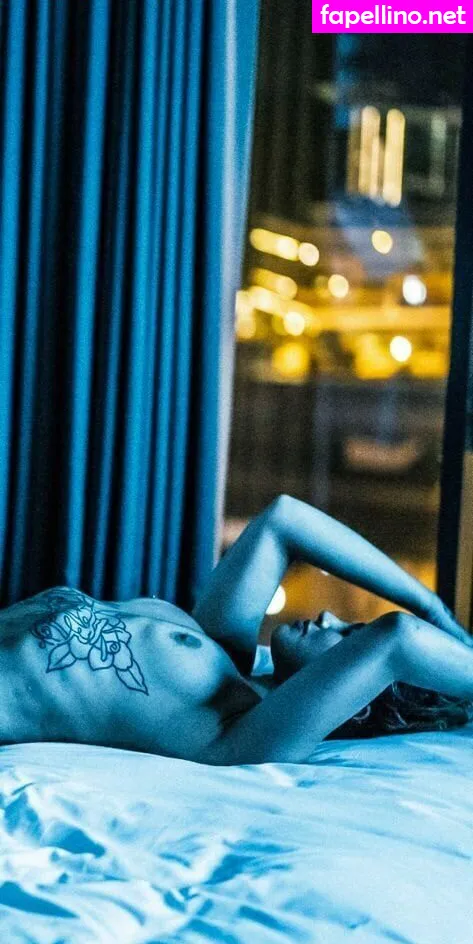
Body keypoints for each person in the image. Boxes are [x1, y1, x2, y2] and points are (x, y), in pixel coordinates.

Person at [1, 494, 472, 766]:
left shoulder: (242, 735)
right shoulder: (222, 644)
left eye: (348, 637)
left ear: (359, 697)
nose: (329, 618)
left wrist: (432, 627)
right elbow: (284, 518)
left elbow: (397, 638)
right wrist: (431, 605)